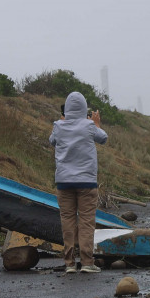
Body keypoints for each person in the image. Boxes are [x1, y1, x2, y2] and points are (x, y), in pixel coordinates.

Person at [49, 91, 108, 273]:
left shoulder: (58, 126)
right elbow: (103, 138)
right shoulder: (89, 126)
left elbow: (52, 141)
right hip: (86, 182)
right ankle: (87, 262)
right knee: (86, 221)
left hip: (64, 182)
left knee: (67, 220)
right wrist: (96, 123)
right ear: (84, 109)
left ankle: (69, 264)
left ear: (66, 109)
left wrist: (64, 122)